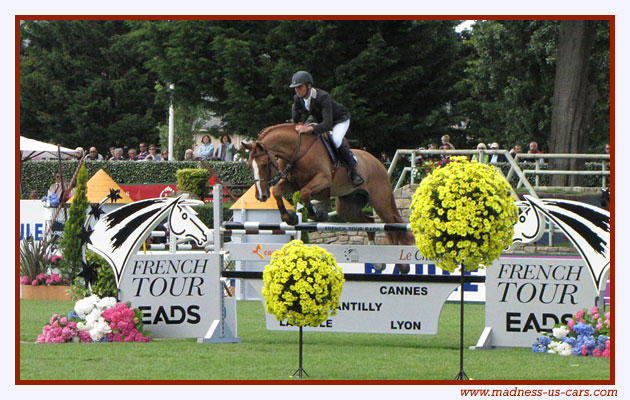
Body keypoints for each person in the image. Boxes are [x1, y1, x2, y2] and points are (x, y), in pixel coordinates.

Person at [289, 70, 364, 187]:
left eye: (299, 87)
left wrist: (309, 129)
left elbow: (327, 125)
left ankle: (354, 171)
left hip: (339, 120)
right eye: (295, 88)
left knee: (336, 140)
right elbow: (295, 119)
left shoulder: (323, 97)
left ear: (308, 86)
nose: (297, 90)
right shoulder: (297, 98)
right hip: (320, 119)